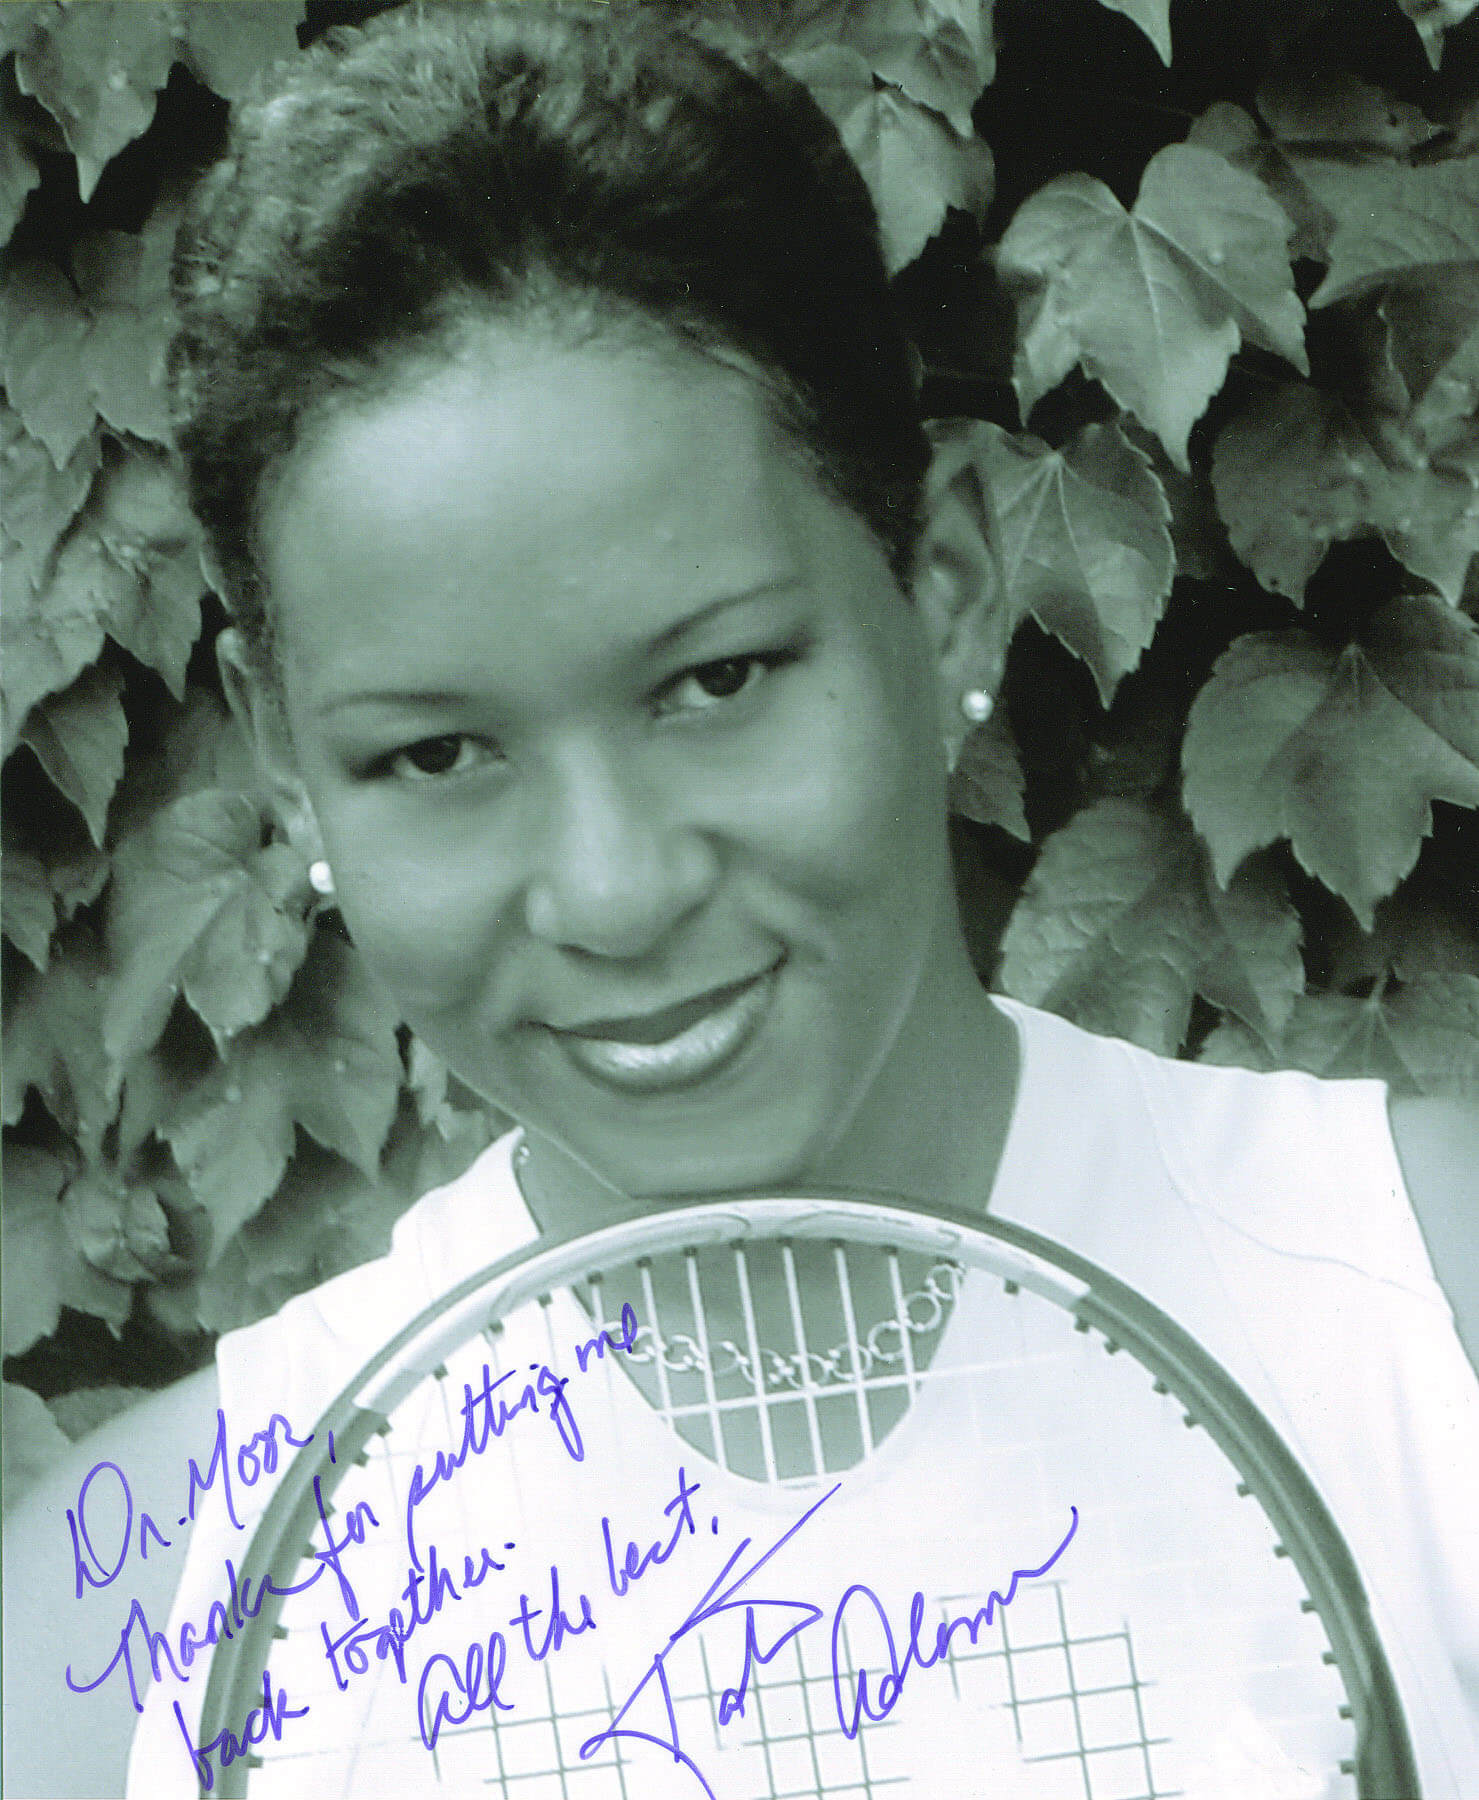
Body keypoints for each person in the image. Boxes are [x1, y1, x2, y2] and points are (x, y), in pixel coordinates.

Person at [5, 5, 1476, 1796]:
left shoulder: (1431, 1314)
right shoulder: (123, 1628)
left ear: (944, 589)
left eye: (718, 681)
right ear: (287, 763)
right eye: (436, 754)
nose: (617, 891)